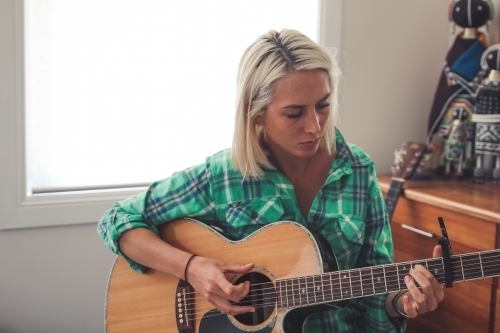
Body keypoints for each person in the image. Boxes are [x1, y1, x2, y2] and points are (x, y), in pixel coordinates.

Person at [98, 28, 444, 332]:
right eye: (294, 113)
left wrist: (402, 303)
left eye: (323, 106)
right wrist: (192, 268)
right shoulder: (224, 175)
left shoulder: (357, 170)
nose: (314, 126)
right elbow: (118, 221)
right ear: (257, 113)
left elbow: (376, 287)